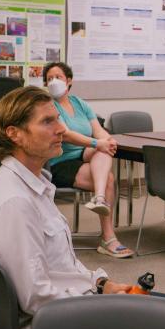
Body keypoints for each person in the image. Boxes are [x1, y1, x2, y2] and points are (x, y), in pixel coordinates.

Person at [0, 86, 139, 325]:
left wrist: (101, 285)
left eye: (58, 119)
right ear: (14, 134)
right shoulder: (16, 203)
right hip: (56, 327)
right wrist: (100, 306)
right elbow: (36, 298)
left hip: (71, 307)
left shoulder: (34, 185)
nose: (61, 129)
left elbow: (62, 267)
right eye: (47, 122)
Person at [42, 61, 133, 259]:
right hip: (61, 161)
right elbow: (66, 134)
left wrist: (106, 140)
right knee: (108, 178)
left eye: (58, 77)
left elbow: (97, 129)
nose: (53, 81)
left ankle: (99, 198)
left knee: (104, 148)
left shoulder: (79, 103)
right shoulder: (48, 105)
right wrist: (97, 143)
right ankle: (108, 239)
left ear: (69, 81)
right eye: (49, 79)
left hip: (84, 154)